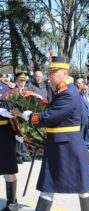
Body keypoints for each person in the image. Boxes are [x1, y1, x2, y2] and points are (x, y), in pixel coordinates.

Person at [22, 56, 89, 211]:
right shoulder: (62, 91)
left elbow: (49, 117)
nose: (49, 75)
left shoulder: (67, 93)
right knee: (49, 184)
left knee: (80, 186)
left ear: (64, 73)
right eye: (49, 72)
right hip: (61, 144)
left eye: (53, 72)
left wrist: (29, 116)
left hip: (67, 146)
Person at [0, 76, 19, 211]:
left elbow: (18, 108)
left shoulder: (8, 86)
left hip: (4, 132)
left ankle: (12, 201)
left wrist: (20, 132)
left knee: (9, 170)